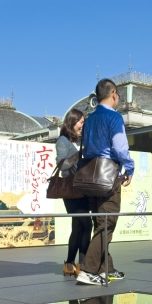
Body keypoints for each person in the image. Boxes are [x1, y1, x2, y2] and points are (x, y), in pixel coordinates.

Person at [77, 78, 134, 286]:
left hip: (91, 176)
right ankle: (88, 269)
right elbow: (120, 148)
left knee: (100, 223)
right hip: (109, 176)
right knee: (107, 224)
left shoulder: (89, 119)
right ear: (114, 94)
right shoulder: (115, 117)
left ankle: (105, 268)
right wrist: (130, 167)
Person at [56, 109, 92, 276]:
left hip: (80, 189)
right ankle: (82, 265)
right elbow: (62, 165)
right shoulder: (62, 141)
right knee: (86, 225)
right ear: (72, 122)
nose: (82, 126)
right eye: (81, 122)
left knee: (78, 227)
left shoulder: (75, 141)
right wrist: (79, 155)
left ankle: (70, 264)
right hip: (72, 190)